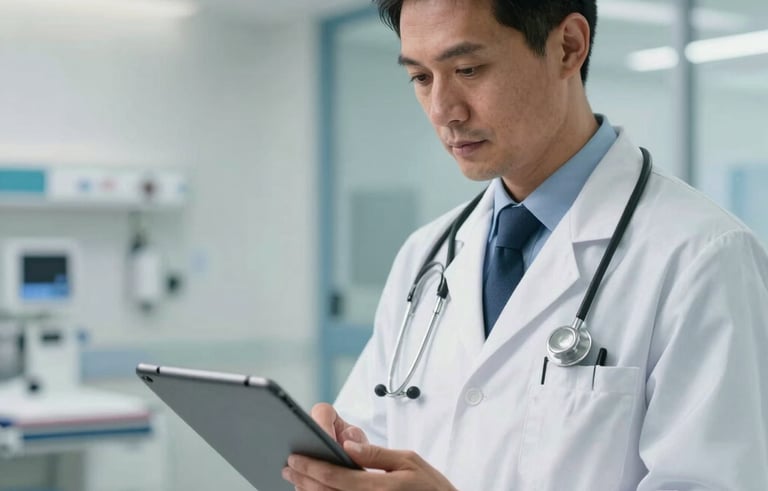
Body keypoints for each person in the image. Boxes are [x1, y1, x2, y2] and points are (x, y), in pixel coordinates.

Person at [282, 0, 768, 489]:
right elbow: (376, 435)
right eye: (421, 78)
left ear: (568, 47)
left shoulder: (702, 256)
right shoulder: (425, 255)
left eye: (468, 69)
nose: (442, 110)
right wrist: (339, 454)